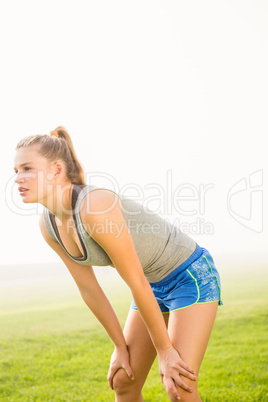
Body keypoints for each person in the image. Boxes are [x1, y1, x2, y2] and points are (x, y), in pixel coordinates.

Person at [14, 126, 223, 402]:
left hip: (189, 275)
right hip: (151, 285)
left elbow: (134, 278)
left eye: (27, 168)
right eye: (16, 170)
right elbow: (89, 289)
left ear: (55, 170)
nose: (18, 178)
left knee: (179, 385)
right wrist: (119, 347)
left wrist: (165, 351)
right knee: (124, 381)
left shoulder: (94, 206)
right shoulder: (48, 225)